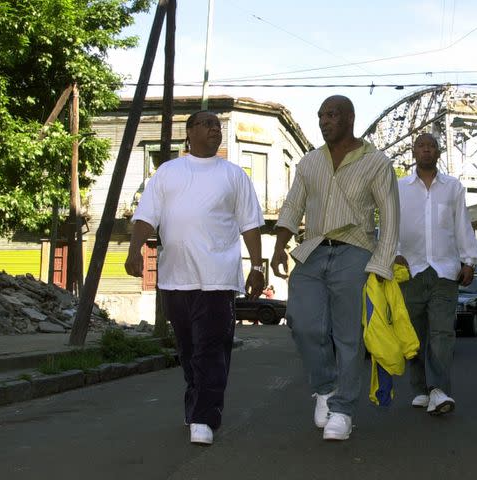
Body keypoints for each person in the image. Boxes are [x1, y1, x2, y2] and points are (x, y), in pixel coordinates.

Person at [124, 111, 265, 445]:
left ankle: (205, 415)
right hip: (175, 278)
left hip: (218, 278)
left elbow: (250, 224)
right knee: (188, 348)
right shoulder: (168, 172)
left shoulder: (233, 175)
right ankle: (197, 398)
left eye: (218, 125)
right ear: (189, 133)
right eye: (207, 124)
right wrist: (133, 251)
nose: (215, 128)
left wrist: (257, 268)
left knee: (211, 347)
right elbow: (147, 216)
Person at [271, 95, 399, 441]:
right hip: (312, 250)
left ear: (350, 118)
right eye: (321, 116)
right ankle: (325, 388)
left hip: (355, 250)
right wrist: (279, 246)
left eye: (332, 115)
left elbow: (390, 219)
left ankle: (342, 409)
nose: (325, 121)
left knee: (348, 336)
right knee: (302, 322)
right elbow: (292, 206)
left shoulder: (376, 162)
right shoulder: (309, 162)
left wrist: (381, 264)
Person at [394, 133, 477, 415]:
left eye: (431, 146)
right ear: (414, 151)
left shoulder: (453, 188)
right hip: (410, 270)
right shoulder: (398, 187)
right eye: (421, 146)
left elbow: (462, 225)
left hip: (445, 270)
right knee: (415, 336)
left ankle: (438, 390)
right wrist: (394, 254)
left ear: (438, 152)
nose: (426, 150)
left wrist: (469, 261)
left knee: (442, 334)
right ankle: (420, 388)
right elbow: (391, 223)